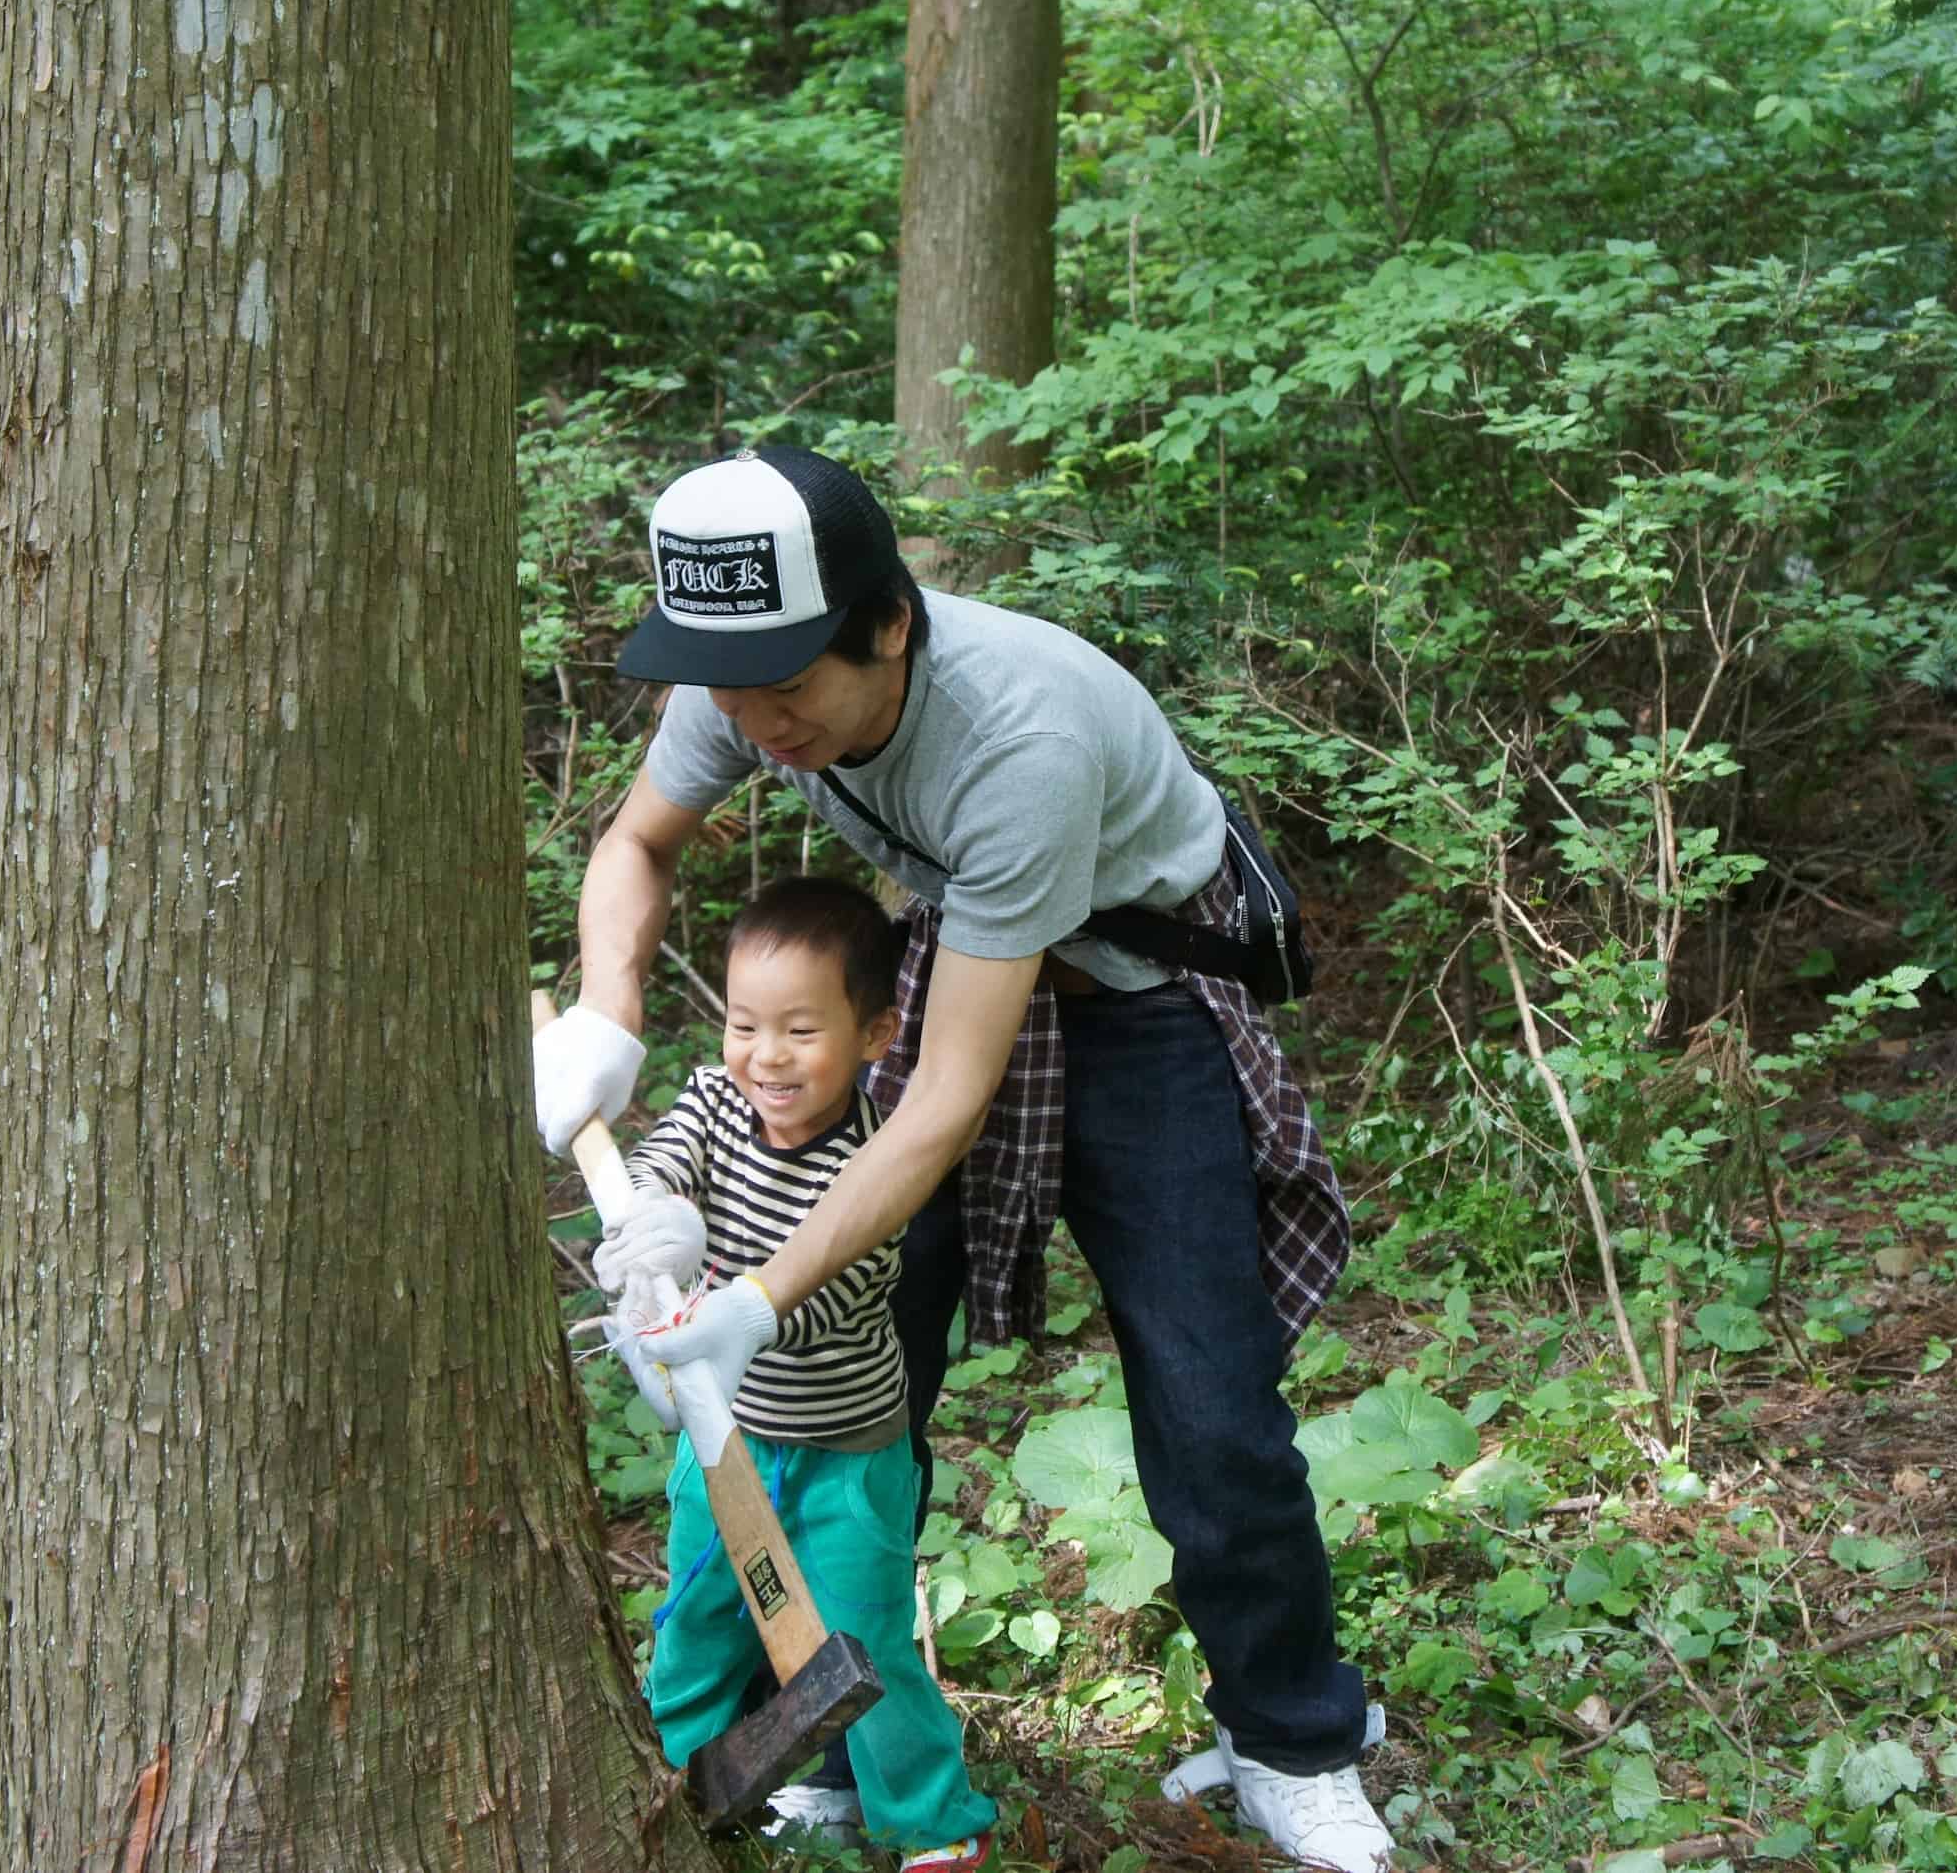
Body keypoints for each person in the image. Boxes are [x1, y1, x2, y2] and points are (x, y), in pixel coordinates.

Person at [533, 444, 1392, 1872]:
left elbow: (940, 1105)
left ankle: (1291, 1735)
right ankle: (823, 1711)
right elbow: (637, 841)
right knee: (859, 1366)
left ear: (890, 626)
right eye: (732, 690)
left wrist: (752, 1302)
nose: (755, 722)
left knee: (1207, 1386)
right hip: (959, 959)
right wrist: (612, 1017)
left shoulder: (1017, 742)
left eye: (788, 690)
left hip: (1136, 993)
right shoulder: (744, 677)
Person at [587, 875, 996, 1872]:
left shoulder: (872, 1166)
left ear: (875, 1034)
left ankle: (935, 1826)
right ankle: (675, 1785)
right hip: (722, 1445)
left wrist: (724, 1323)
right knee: (695, 1621)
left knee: (863, 1645)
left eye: (801, 1031)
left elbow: (824, 1304)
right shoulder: (717, 1103)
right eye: (744, 1024)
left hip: (849, 1459)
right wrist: (656, 1220)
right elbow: (669, 1159)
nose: (765, 1056)